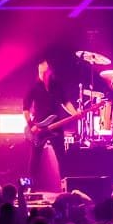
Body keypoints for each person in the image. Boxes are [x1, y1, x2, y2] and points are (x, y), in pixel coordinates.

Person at [23, 59, 77, 192]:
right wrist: (31, 125)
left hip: (56, 125)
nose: (43, 74)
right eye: (41, 71)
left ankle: (66, 187)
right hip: (39, 127)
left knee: (61, 156)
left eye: (45, 71)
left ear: (50, 72)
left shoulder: (56, 85)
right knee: (35, 159)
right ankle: (30, 187)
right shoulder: (33, 87)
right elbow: (25, 108)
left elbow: (65, 102)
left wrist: (75, 113)